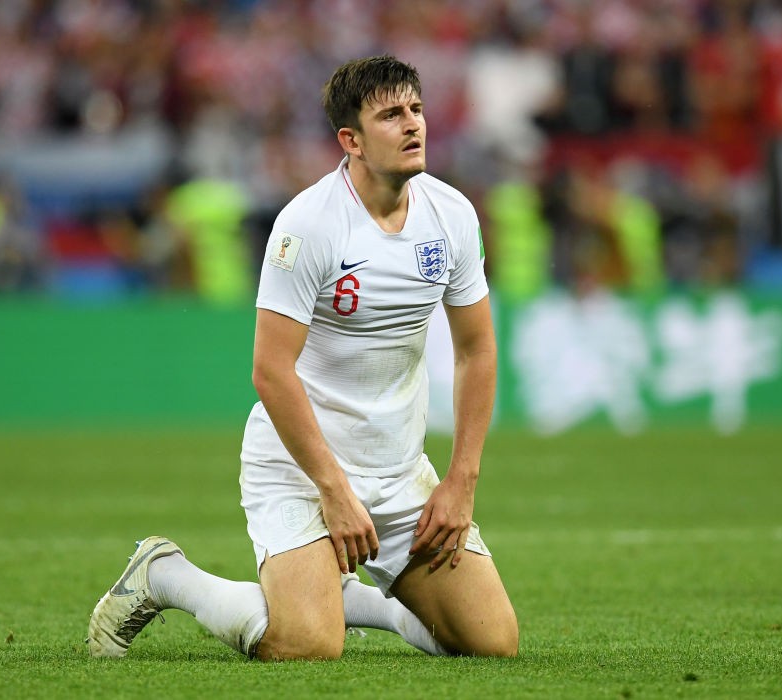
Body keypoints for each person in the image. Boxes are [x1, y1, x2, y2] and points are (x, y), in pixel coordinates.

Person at [87, 55, 519, 660]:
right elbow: (270, 369)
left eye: (416, 109)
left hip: (400, 475)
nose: (412, 124)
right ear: (352, 141)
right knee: (307, 645)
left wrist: (461, 480)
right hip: (299, 470)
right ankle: (167, 576)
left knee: (491, 645)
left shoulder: (451, 215)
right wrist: (332, 488)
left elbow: (477, 349)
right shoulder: (308, 225)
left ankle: (356, 603)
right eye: (390, 115)